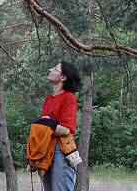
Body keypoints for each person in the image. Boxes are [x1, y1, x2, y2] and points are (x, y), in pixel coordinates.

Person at [40, 61, 81, 191]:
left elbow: (67, 129)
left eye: (55, 68)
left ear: (63, 77)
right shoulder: (49, 99)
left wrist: (45, 124)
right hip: (47, 149)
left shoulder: (69, 98)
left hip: (61, 151)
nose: (50, 69)